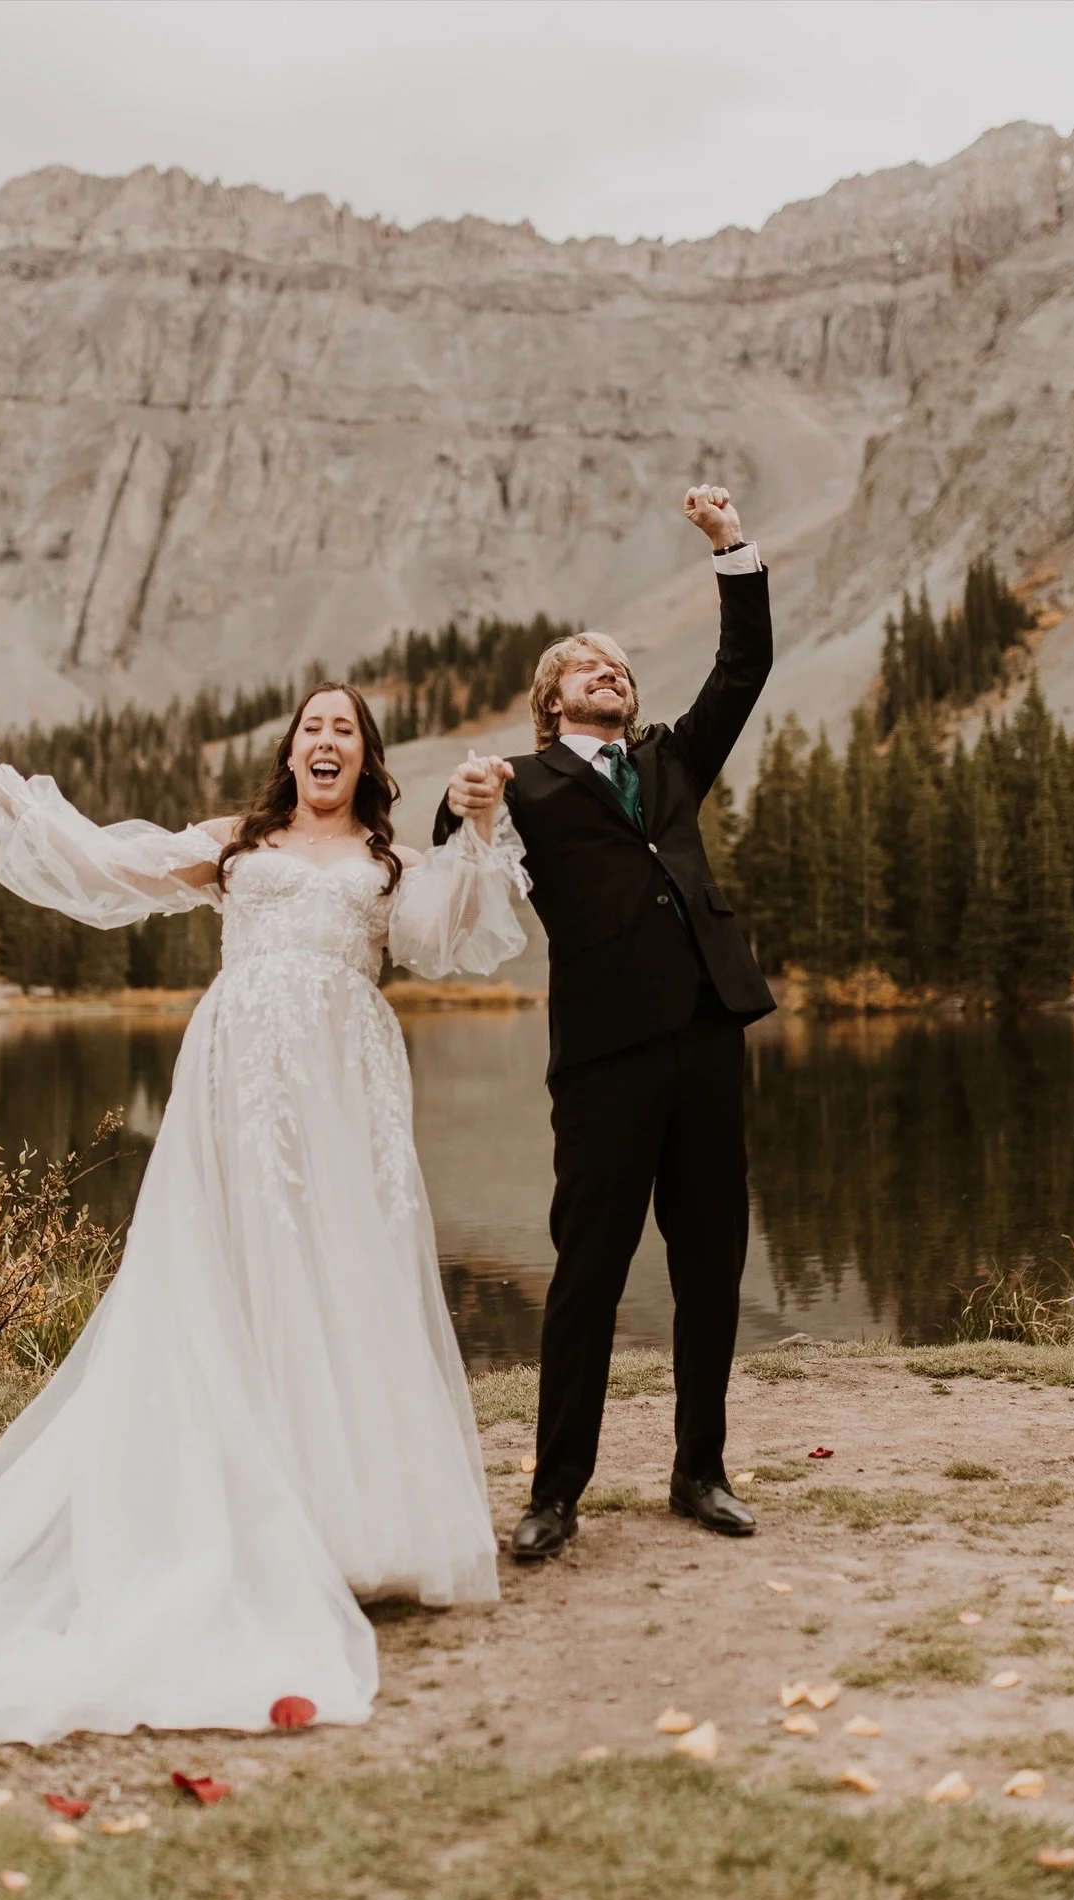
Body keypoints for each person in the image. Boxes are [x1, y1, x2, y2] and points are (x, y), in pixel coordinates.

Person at [0, 684, 528, 1743]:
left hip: (350, 1086)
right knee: (242, 1267)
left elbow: (445, 933)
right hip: (245, 1076)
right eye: (311, 727)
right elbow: (106, 867)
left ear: (367, 760)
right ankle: (241, 1511)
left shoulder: (393, 860)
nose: (326, 740)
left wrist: (485, 825)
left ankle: (350, 1520)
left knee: (347, 1272)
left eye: (346, 731)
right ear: (291, 750)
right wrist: (9, 792)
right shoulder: (240, 841)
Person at [436, 485, 775, 1560]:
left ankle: (700, 1471)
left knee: (712, 1258)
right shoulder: (523, 785)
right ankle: (556, 1493)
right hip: (603, 1059)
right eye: (589, 668)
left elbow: (743, 670)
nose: (611, 675)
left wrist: (729, 548)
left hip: (710, 1034)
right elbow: (457, 843)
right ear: (553, 702)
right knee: (587, 1271)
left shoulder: (673, 761)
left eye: (621, 667)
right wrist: (462, 800)